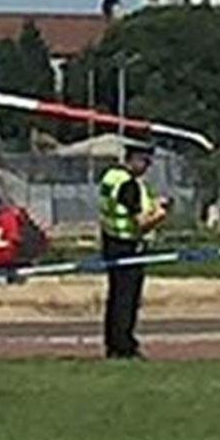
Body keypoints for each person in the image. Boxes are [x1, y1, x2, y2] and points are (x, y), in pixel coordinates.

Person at [98, 140, 166, 359]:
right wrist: (161, 214)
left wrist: (151, 205)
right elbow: (141, 223)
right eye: (145, 161)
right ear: (133, 159)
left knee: (116, 297)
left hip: (111, 240)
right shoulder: (129, 185)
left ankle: (113, 344)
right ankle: (124, 346)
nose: (147, 167)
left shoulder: (111, 177)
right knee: (127, 300)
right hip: (129, 245)